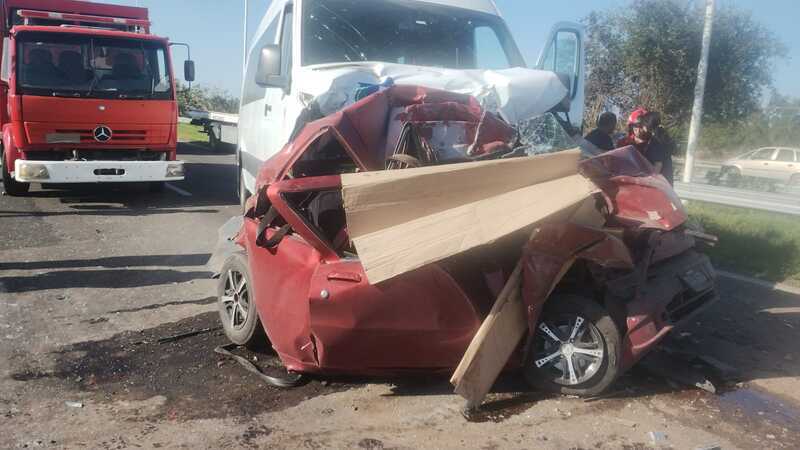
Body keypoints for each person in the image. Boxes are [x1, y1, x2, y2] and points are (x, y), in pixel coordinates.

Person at [617, 108, 675, 185]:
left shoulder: (656, 141)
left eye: (639, 125)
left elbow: (658, 165)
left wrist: (650, 181)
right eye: (634, 125)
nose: (636, 128)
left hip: (652, 184)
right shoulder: (624, 142)